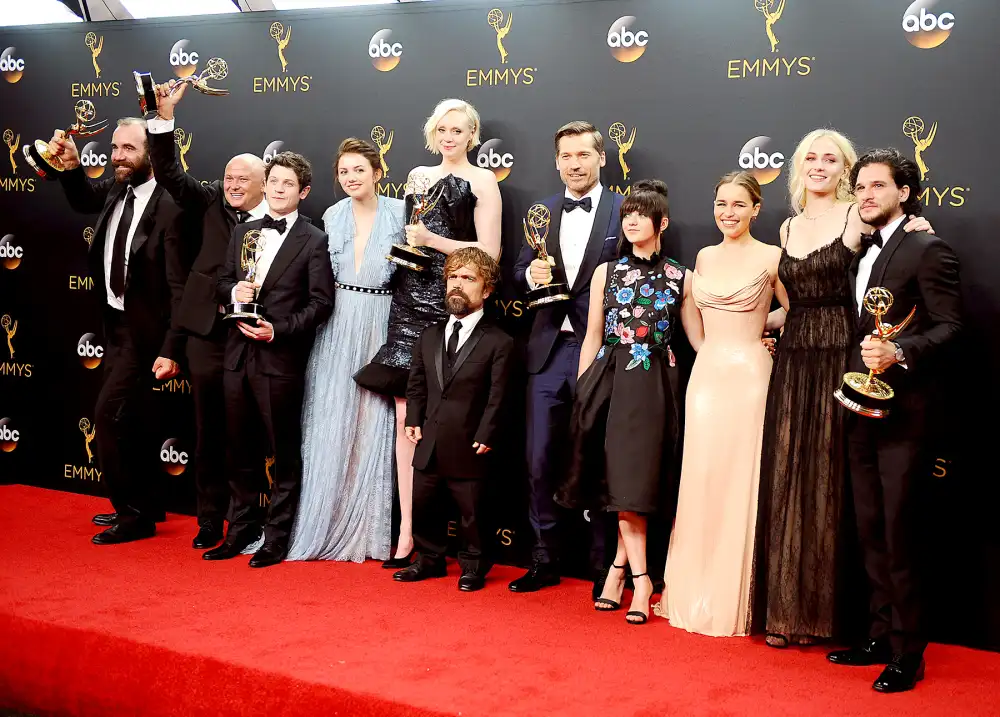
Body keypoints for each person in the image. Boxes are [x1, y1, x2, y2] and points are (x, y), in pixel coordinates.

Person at [759, 129, 933, 647]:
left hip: (841, 355)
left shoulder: (859, 215)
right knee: (790, 476)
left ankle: (826, 618)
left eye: (830, 158)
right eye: (809, 156)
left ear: (847, 172)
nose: (818, 165)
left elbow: (896, 260)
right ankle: (785, 610)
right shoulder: (787, 226)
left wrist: (919, 226)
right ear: (797, 166)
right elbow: (788, 304)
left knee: (832, 485)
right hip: (793, 357)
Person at [827, 148, 961, 693]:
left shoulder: (929, 249)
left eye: (878, 187)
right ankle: (880, 635)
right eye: (860, 187)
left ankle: (910, 652)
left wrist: (900, 353)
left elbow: (951, 327)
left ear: (904, 193)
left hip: (906, 414)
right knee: (869, 528)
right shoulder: (863, 253)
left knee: (901, 533)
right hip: (861, 408)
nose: (866, 195)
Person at [355, 98, 501, 569]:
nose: (449, 137)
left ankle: (462, 546)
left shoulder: (484, 182)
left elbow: (491, 252)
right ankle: (408, 534)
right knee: (407, 421)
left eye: (458, 130)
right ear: (432, 133)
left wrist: (436, 244)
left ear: (472, 135)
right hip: (409, 300)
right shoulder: (416, 176)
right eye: (442, 129)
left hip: (455, 299)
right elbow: (407, 235)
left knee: (453, 424)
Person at [656, 171, 786, 636]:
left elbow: (797, 309)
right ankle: (695, 586)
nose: (727, 213)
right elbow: (692, 314)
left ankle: (741, 597)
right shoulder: (705, 257)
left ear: (756, 209)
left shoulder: (773, 256)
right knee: (703, 477)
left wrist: (761, 330)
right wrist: (706, 346)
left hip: (750, 376)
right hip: (707, 376)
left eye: (737, 205)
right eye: (720, 205)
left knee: (743, 478)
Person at [49, 118, 187, 544]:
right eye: (114, 148)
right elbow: (84, 201)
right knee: (136, 420)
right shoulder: (118, 188)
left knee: (107, 418)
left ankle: (133, 515)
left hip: (147, 333)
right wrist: (71, 168)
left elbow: (181, 287)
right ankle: (148, 505)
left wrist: (172, 347)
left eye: (129, 149)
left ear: (151, 153)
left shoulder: (171, 205)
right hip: (115, 324)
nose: (117, 157)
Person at [555, 180, 687, 623]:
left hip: (655, 385)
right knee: (619, 483)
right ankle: (633, 576)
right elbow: (592, 333)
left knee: (637, 483)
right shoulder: (605, 273)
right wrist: (583, 388)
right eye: (626, 213)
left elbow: (699, 340)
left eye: (641, 214)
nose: (630, 220)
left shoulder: (680, 276)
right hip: (609, 381)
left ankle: (631, 575)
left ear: (661, 222)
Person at [144, 79, 268, 549]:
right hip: (207, 336)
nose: (234, 186)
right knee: (208, 431)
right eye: (229, 178)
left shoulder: (281, 214)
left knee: (246, 433)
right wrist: (164, 119)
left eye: (244, 180)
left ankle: (247, 520)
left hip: (254, 337)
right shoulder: (209, 200)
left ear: (264, 185)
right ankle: (210, 519)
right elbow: (171, 174)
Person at [509, 121, 624, 596]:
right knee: (539, 460)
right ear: (556, 162)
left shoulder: (625, 209)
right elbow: (516, 272)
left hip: (603, 353)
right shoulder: (543, 211)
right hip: (548, 351)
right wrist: (531, 274)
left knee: (599, 458)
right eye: (566, 156)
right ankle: (544, 558)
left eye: (583, 155)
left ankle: (603, 568)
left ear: (601, 158)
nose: (574, 164)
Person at [205, 151, 335, 568]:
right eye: (274, 182)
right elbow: (222, 281)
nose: (279, 190)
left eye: (288, 185)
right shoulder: (244, 231)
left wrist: (278, 330)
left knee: (283, 451)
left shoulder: (314, 240)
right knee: (237, 448)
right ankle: (239, 529)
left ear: (304, 192)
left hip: (279, 359)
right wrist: (232, 294)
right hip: (236, 356)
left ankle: (276, 538)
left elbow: (320, 304)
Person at [287, 139, 404, 562]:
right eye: (344, 172)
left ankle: (367, 531)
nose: (351, 178)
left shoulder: (401, 212)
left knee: (373, 421)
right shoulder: (331, 215)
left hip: (380, 320)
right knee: (329, 417)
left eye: (359, 169)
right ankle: (323, 519)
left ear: (377, 171)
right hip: (335, 325)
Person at [392, 247, 512, 592]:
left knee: (472, 512)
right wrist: (413, 417)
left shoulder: (499, 341)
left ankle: (474, 565)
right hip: (429, 438)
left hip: (471, 440)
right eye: (453, 278)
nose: (457, 285)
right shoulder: (429, 335)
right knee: (424, 503)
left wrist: (488, 432)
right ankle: (428, 560)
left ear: (486, 290)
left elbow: (500, 394)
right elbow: (417, 382)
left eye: (468, 278)